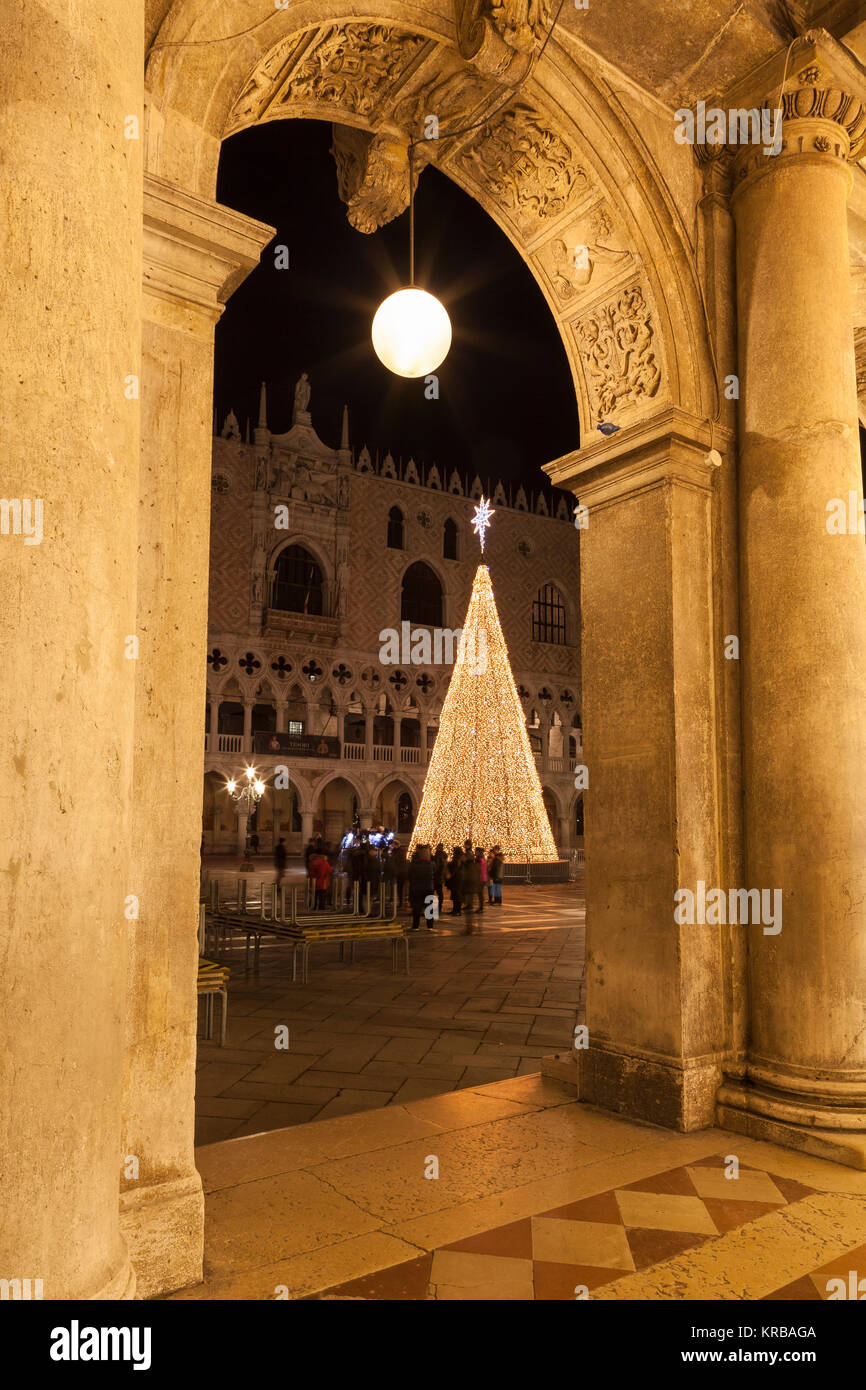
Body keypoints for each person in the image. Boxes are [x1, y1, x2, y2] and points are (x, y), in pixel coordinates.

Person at [408, 844, 435, 931]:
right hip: (429, 888)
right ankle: (430, 926)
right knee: (429, 907)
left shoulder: (414, 864)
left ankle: (416, 926)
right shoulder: (431, 864)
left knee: (417, 908)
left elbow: (409, 875)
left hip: (417, 888)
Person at [460, 850, 483, 934]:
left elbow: (469, 879)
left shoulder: (469, 866)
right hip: (472, 890)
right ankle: (470, 928)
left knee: (469, 909)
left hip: (469, 890)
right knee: (469, 909)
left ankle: (469, 928)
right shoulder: (472, 865)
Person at [447, 846, 464, 915]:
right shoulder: (459, 858)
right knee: (455, 894)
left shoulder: (457, 858)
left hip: (457, 878)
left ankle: (457, 910)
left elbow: (456, 868)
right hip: (458, 878)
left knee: (456, 894)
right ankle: (455, 909)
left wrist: (451, 874)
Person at [433, 843, 447, 916]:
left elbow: (437, 867)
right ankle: (438, 907)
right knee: (439, 892)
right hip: (440, 877)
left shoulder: (438, 856)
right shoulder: (444, 856)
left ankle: (435, 908)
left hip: (437, 877)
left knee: (435, 892)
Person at [475, 846, 487, 912]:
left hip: (480, 878)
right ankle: (481, 907)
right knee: (480, 893)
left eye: (476, 851)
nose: (475, 852)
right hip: (483, 878)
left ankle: (481, 907)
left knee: (480, 893)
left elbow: (479, 869)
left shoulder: (479, 859)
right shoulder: (482, 858)